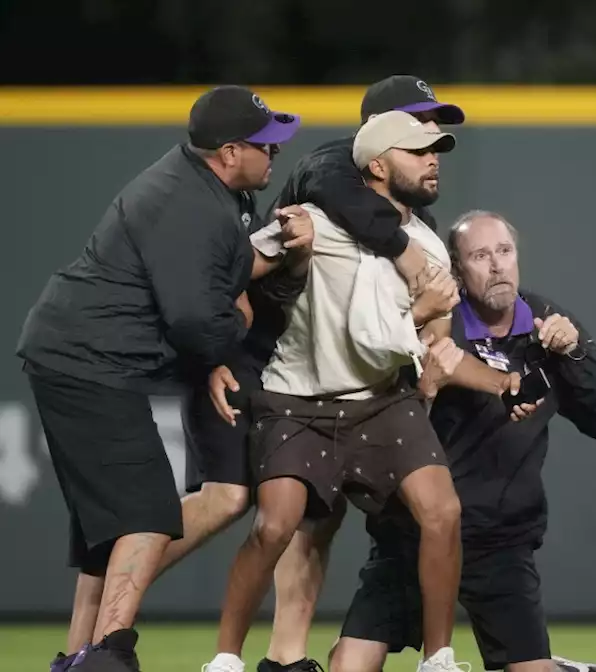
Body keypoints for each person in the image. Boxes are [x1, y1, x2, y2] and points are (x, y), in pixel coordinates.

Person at [199, 74, 496, 672]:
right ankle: (226, 659)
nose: (434, 159)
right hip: (297, 400)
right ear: (379, 163)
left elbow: (423, 347)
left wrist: (442, 350)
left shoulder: (428, 245)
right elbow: (233, 276)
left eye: (437, 148)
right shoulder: (311, 217)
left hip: (380, 402)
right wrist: (216, 352)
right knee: (275, 524)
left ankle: (439, 657)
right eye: (419, 149)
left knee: (443, 511)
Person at [15, 85, 303, 672]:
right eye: (263, 144)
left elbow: (227, 265)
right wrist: (231, 330)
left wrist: (277, 248)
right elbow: (197, 318)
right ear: (227, 153)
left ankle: (78, 656)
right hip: (90, 363)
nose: (275, 153)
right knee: (146, 513)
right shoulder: (189, 203)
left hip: (83, 359)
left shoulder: (208, 190)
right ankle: (107, 655)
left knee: (112, 532)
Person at [328, 211, 596, 672]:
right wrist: (425, 390)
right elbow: (384, 428)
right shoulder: (437, 329)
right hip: (414, 537)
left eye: (505, 252)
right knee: (350, 666)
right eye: (480, 255)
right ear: (456, 267)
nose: (497, 266)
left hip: (499, 543)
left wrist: (574, 354)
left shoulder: (546, 328)